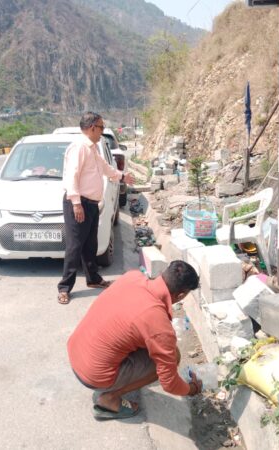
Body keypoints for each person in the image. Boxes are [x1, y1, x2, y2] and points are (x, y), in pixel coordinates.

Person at [67, 260, 202, 420]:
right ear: (180, 295)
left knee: (154, 345)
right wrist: (192, 389)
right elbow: (169, 383)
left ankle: (119, 378)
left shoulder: (132, 277)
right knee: (173, 356)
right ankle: (110, 399)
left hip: (75, 351)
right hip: (93, 376)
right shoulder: (158, 323)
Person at [57, 112, 135, 305]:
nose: (102, 131)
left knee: (90, 244)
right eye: (101, 127)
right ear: (92, 128)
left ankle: (93, 278)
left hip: (91, 204)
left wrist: (122, 177)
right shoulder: (79, 148)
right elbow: (72, 176)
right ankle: (64, 288)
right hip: (79, 204)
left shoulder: (92, 149)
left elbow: (105, 168)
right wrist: (76, 203)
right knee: (75, 246)